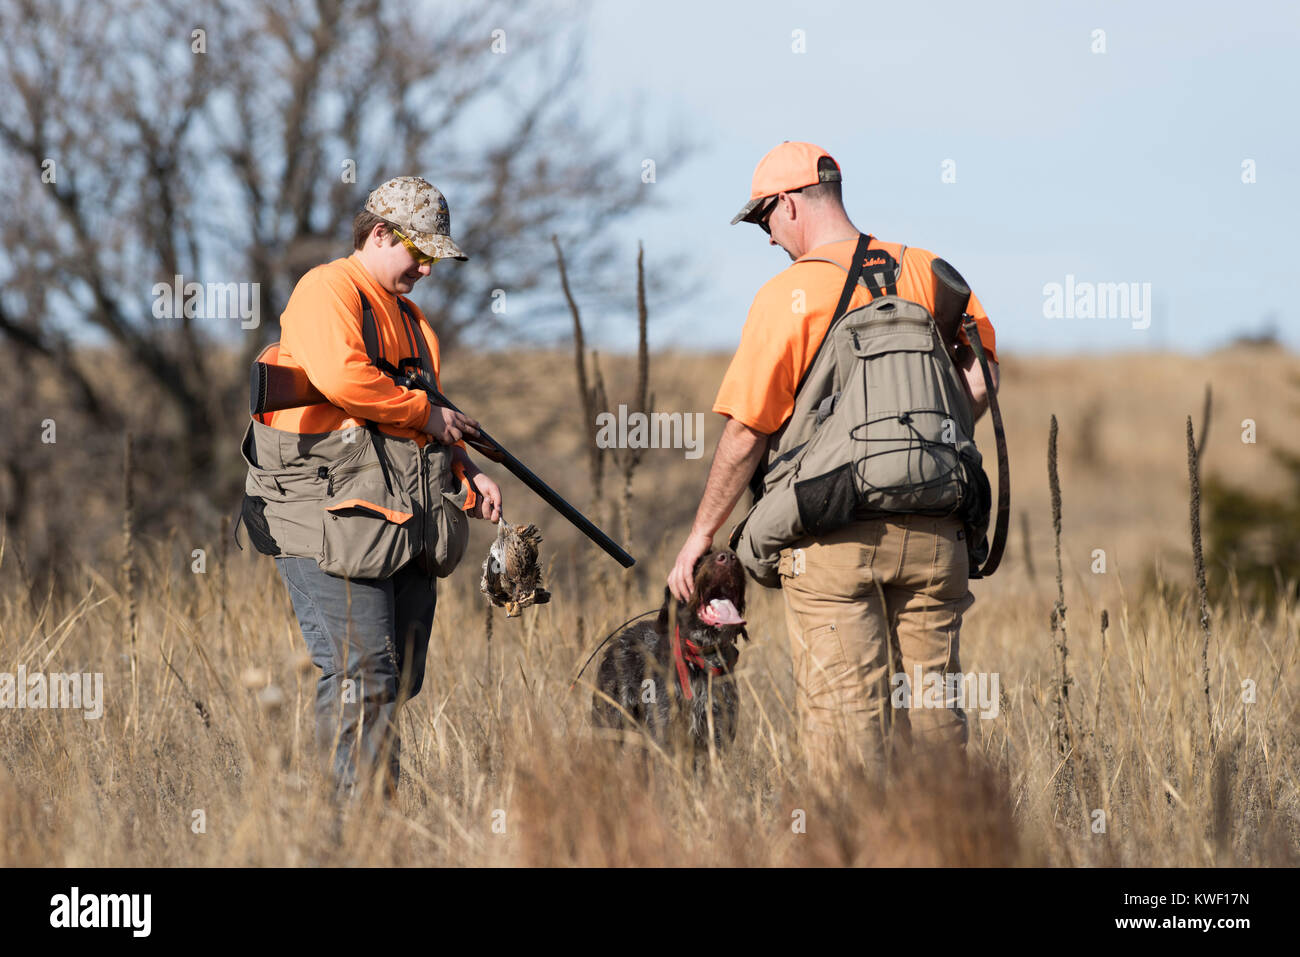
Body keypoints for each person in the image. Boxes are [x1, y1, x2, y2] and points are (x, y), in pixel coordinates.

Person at [667, 142, 1000, 782]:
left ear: (788, 204)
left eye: (764, 220)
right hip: (938, 534)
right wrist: (921, 453)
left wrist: (701, 537)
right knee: (934, 727)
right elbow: (983, 380)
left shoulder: (788, 295)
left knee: (849, 739)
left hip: (831, 537)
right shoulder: (930, 270)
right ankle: (947, 842)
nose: (767, 238)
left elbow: (746, 434)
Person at [241, 175, 502, 799]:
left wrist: (463, 468)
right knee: (362, 672)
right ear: (380, 234)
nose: (428, 268)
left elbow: (419, 413)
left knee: (397, 676)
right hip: (322, 517)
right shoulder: (327, 289)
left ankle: (376, 821)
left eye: (435, 256)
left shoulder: (413, 323)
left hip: (390, 518)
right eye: (421, 252)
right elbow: (344, 379)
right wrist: (427, 418)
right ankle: (355, 835)